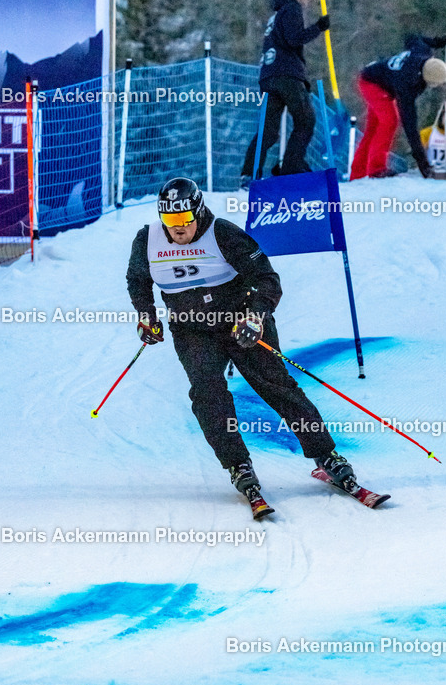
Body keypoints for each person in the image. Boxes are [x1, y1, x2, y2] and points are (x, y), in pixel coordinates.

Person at [126, 176, 356, 511]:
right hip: (193, 329)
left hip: (239, 322)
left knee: (275, 385)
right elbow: (137, 279)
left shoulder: (222, 233)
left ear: (198, 210)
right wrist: (147, 316)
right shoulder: (147, 240)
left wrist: (255, 316)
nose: (178, 228)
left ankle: (326, 455)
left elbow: (266, 279)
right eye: (170, 220)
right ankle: (237, 464)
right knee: (207, 392)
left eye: (185, 219)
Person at [241, 0, 329, 185]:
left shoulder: (277, 13)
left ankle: (249, 174)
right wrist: (319, 27)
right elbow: (293, 39)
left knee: (268, 131)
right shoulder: (292, 8)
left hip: (268, 76)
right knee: (306, 121)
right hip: (287, 75)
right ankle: (291, 168)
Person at [349, 33, 446, 180]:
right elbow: (410, 125)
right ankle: (376, 169)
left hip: (374, 76)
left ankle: (357, 174)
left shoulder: (422, 51)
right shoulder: (406, 85)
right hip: (371, 83)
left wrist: (437, 42)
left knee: (373, 129)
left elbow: (412, 37)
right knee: (389, 121)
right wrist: (422, 162)